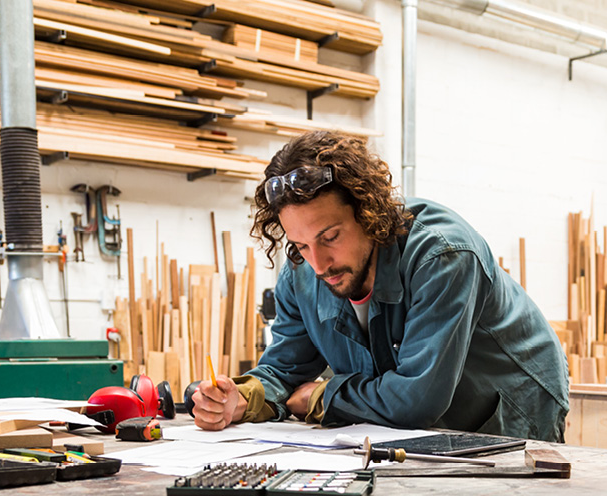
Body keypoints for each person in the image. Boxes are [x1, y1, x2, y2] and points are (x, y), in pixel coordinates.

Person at [192, 130, 569, 441]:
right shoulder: (302, 272)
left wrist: (322, 397)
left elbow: (417, 399)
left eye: (330, 237)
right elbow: (284, 371)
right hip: (417, 428)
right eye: (302, 244)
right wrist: (240, 400)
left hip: (511, 407)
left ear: (367, 211)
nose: (318, 263)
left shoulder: (442, 255)